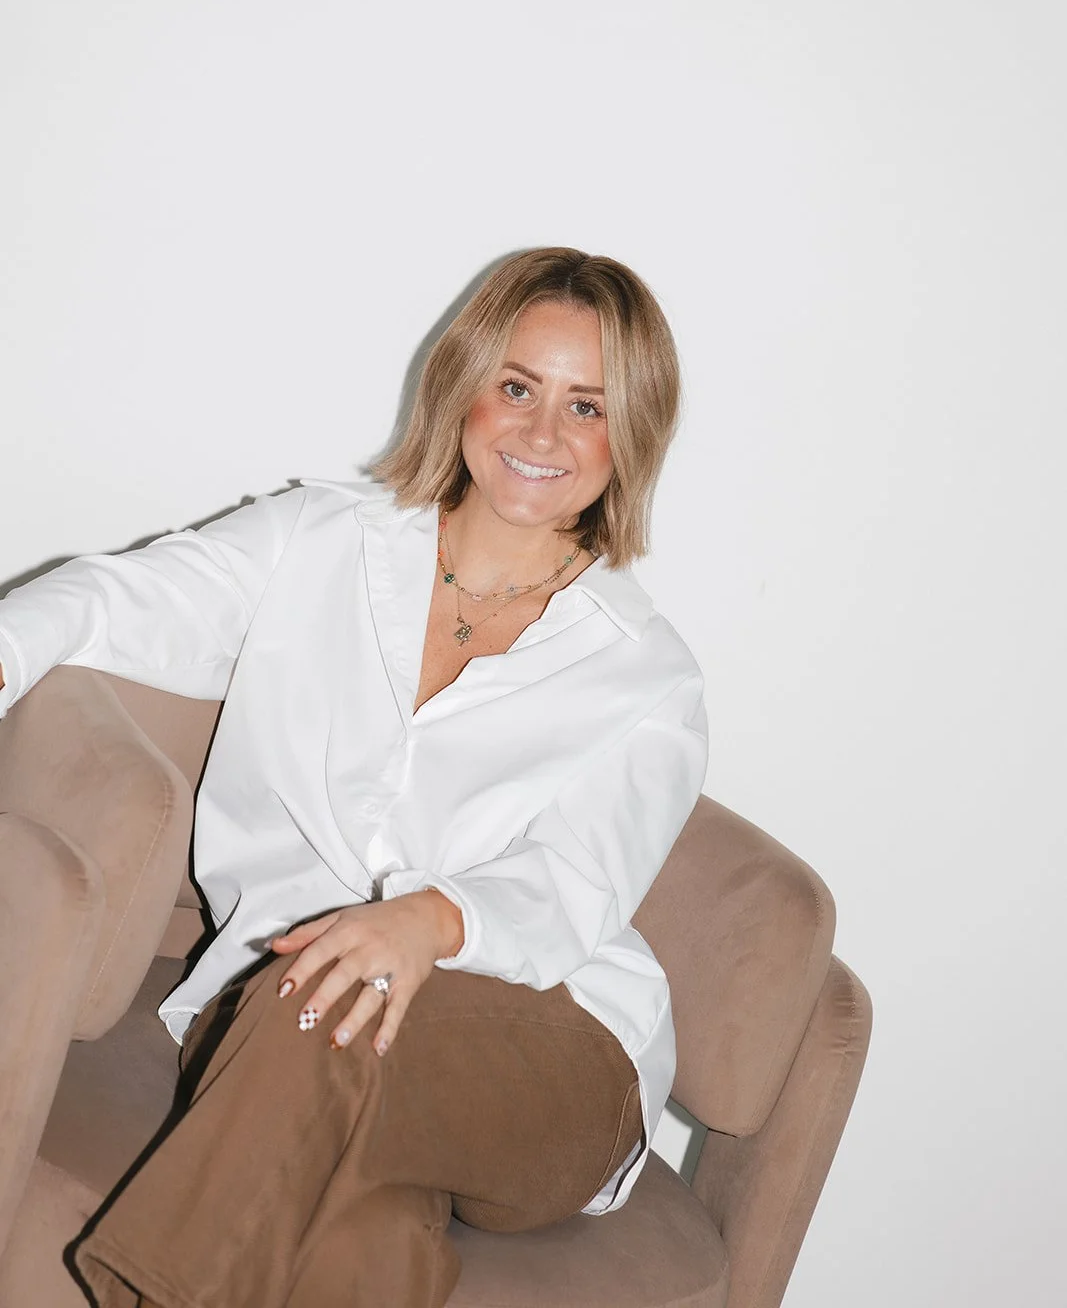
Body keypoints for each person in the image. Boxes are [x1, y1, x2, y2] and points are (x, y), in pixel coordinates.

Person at [0, 248, 708, 1308]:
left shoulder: (646, 677)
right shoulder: (319, 540)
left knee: (324, 997)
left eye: (587, 407)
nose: (539, 433)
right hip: (286, 1028)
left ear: (630, 436)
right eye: (516, 386)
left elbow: (577, 885)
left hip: (551, 1048)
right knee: (358, 1235)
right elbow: (119, 600)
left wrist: (427, 920)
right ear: (463, 383)